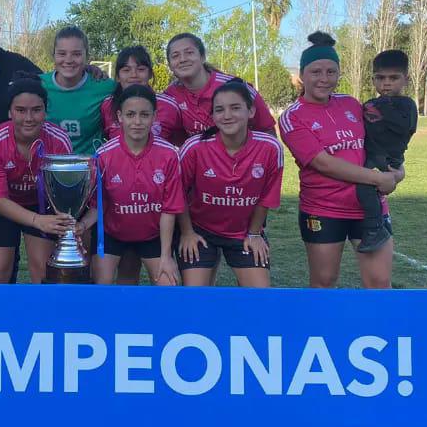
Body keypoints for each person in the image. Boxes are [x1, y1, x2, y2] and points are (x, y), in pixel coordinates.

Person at [278, 32, 404, 289]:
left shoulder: (351, 104)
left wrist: (397, 170)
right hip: (324, 209)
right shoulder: (292, 117)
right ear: (302, 75)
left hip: (369, 208)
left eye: (331, 72)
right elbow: (323, 163)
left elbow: (380, 142)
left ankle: (377, 319)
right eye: (316, 72)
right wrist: (377, 179)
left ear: (338, 74)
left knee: (379, 283)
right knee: (324, 283)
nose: (324, 79)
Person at [177, 79, 284, 288]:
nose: (227, 115)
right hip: (200, 230)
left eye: (235, 108)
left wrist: (254, 234)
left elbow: (266, 198)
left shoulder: (270, 148)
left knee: (260, 297)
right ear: (212, 115)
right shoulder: (194, 147)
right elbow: (177, 194)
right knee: (195, 297)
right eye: (219, 110)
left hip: (243, 232)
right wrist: (187, 233)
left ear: (251, 111)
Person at [77, 85, 183, 286]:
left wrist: (166, 256)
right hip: (112, 235)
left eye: (144, 115)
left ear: (154, 117)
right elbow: (98, 205)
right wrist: (82, 226)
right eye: (130, 114)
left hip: (153, 236)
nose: (137, 122)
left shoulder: (169, 154)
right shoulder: (104, 155)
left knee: (168, 285)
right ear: (120, 117)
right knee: (101, 283)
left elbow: (169, 210)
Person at [0, 75, 73, 284]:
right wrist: (37, 221)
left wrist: (47, 219)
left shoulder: (59, 141)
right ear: (9, 112)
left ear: (45, 111)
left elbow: (62, 192)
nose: (29, 118)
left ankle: (41, 307)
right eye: (20, 110)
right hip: (4, 204)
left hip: (41, 204)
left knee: (42, 270)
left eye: (36, 110)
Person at [357, 49, 418, 252]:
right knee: (362, 185)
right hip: (372, 154)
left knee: (364, 186)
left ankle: (375, 228)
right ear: (373, 80)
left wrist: (385, 106)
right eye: (380, 78)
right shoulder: (370, 104)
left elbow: (404, 128)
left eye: (393, 78)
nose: (386, 83)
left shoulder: (407, 105)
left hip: (388, 157)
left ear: (406, 79)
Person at [164, 33, 275, 141]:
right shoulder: (170, 96)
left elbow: (268, 131)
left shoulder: (236, 87)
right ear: (170, 65)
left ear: (202, 57)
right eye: (175, 56)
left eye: (189, 52)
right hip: (202, 154)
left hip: (244, 152)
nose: (183, 59)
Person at [39, 26, 116, 155]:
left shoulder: (105, 87)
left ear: (87, 56)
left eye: (76, 54)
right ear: (53, 55)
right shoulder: (38, 85)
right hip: (48, 164)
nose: (68, 60)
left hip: (90, 164)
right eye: (62, 54)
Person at [100, 45, 182, 144]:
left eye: (141, 69)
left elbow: (180, 143)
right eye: (126, 70)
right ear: (117, 76)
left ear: (150, 74)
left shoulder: (169, 106)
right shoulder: (107, 105)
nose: (134, 75)